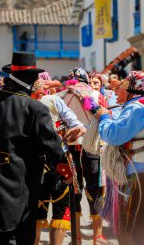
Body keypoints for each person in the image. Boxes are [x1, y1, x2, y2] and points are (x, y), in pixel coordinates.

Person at [0, 52, 71, 245]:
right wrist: (64, 168)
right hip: (24, 182)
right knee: (23, 235)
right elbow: (51, 145)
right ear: (30, 80)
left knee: (1, 234)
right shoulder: (35, 108)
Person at [97, 71, 144, 245]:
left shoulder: (136, 108)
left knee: (130, 228)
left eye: (123, 85)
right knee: (140, 225)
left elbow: (114, 136)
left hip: (137, 177)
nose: (119, 89)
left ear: (131, 90)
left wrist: (104, 117)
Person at [31, 74, 86, 245]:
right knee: (60, 209)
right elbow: (77, 125)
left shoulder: (20, 101)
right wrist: (76, 130)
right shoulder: (54, 100)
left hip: (32, 163)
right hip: (59, 160)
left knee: (36, 210)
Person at [57, 68, 109, 245]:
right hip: (92, 146)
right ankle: (97, 237)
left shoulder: (61, 96)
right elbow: (105, 118)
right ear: (86, 79)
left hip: (69, 147)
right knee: (95, 189)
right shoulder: (95, 94)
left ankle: (77, 237)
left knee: (74, 190)